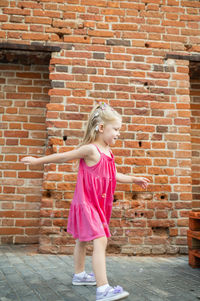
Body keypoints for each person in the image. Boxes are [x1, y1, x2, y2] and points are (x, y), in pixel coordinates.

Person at [21, 102, 150, 301]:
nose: (118, 133)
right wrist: (37, 161)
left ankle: (79, 275)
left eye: (119, 130)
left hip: (99, 204)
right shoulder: (91, 150)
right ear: (100, 128)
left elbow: (113, 174)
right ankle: (103, 289)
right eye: (115, 129)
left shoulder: (108, 152)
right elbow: (63, 157)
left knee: (82, 240)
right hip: (86, 203)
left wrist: (134, 179)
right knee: (100, 239)